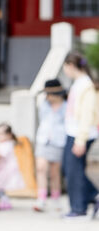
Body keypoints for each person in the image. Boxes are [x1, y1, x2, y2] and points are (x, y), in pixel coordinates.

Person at [61, 51, 99, 218]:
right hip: (74, 132)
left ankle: (79, 208)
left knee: (73, 171)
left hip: (80, 134)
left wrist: (81, 140)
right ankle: (92, 197)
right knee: (72, 169)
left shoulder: (85, 85)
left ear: (70, 66)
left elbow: (87, 114)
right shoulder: (80, 83)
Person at [33, 79, 67, 212]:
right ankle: (41, 198)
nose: (47, 97)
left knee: (54, 172)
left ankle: (55, 198)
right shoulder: (44, 105)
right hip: (43, 140)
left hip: (58, 141)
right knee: (41, 168)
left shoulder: (66, 106)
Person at [0, 123, 24, 210]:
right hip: (2, 169)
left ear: (9, 135)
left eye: (0, 134)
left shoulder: (7, 144)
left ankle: (5, 201)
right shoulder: (5, 144)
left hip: (5, 170)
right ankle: (2, 200)